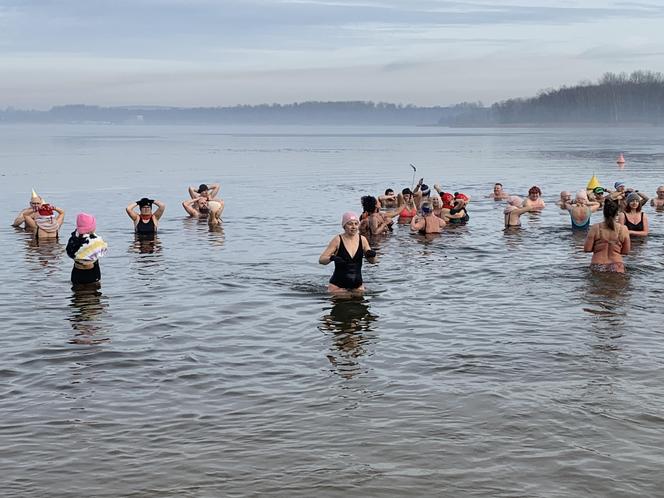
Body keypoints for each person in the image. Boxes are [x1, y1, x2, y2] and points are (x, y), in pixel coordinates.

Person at [319, 212, 377, 296]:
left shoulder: (362, 240)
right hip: (337, 287)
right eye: (350, 224)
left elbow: (373, 262)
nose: (353, 227)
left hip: (358, 287)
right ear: (344, 226)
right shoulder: (337, 240)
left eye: (356, 224)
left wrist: (372, 255)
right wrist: (332, 258)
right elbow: (321, 260)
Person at [583, 199, 630, 273]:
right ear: (617, 213)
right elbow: (625, 251)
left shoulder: (595, 228)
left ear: (604, 212)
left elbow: (587, 249)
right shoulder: (623, 229)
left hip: (598, 264)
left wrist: (599, 247)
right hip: (617, 264)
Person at [66, 213, 108, 285]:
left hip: (76, 272)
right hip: (91, 272)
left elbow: (69, 252)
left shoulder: (73, 239)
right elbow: (103, 251)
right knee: (94, 292)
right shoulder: (96, 240)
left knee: (76, 293)